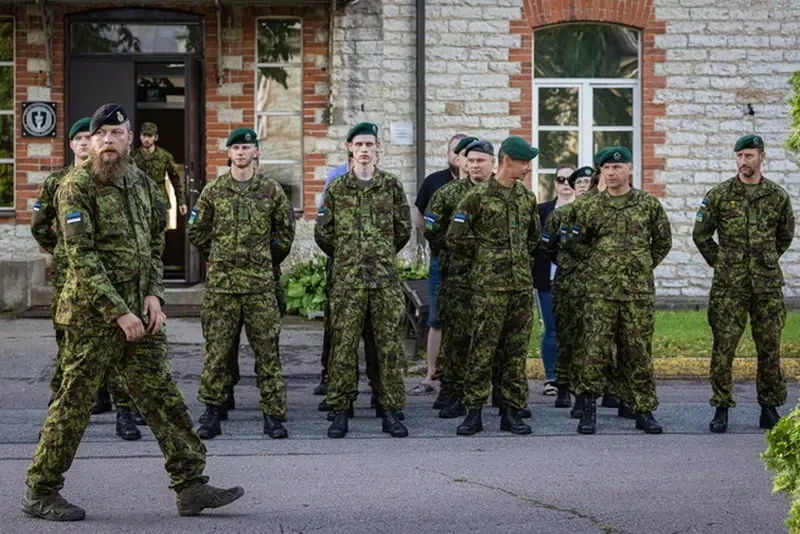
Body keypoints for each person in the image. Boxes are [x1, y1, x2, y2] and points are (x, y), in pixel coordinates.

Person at [22, 103, 244, 522]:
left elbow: (154, 248)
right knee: (73, 404)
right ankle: (40, 490)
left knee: (163, 397)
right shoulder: (76, 186)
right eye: (101, 133)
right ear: (91, 141)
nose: (108, 140)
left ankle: (191, 486)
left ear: (129, 140)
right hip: (92, 317)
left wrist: (154, 296)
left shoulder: (142, 184)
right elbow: (81, 257)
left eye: (116, 133)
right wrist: (120, 311)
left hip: (139, 316)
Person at [189, 128, 295, 440]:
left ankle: (273, 415)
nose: (241, 152)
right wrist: (219, 254)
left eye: (246, 147)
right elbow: (196, 229)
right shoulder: (214, 190)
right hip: (222, 287)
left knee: (267, 354)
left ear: (256, 153)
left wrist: (264, 256)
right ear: (229, 153)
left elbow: (284, 233)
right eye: (235, 148)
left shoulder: (271, 190)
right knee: (217, 352)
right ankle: (211, 412)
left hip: (259, 285)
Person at [315, 122, 412, 439]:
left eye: (370, 144)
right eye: (359, 144)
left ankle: (392, 410)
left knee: (388, 349)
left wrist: (379, 254)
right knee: (342, 349)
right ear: (350, 148)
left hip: (384, 281)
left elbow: (402, 231)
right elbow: (324, 234)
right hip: (348, 282)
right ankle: (340, 411)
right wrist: (349, 256)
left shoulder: (392, 186)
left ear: (378, 149)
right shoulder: (337, 188)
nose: (365, 149)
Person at [693, 134, 795, 433]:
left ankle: (769, 406)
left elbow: (785, 234)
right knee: (724, 347)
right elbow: (701, 234)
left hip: (766, 286)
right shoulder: (720, 194)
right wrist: (722, 261)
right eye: (739, 156)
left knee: (769, 347)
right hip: (729, 287)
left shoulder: (776, 196)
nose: (743, 161)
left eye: (749, 156)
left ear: (762, 156)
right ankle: (721, 406)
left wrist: (766, 258)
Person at [570, 147, 672, 435]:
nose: (611, 173)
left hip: (637, 293)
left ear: (629, 169)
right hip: (600, 292)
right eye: (606, 168)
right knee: (594, 351)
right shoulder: (590, 206)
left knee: (638, 352)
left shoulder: (647, 205)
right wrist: (601, 266)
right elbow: (578, 244)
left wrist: (642, 265)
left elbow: (663, 240)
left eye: (617, 167)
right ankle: (588, 408)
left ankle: (644, 409)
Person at [446, 136, 541, 436]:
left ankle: (511, 411)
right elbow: (455, 236)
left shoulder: (526, 198)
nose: (528, 167)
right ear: (507, 161)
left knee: (515, 352)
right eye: (524, 161)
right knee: (482, 350)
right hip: (488, 288)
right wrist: (487, 255)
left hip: (520, 288)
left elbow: (533, 238)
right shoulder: (478, 196)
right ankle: (473, 410)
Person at [423, 138, 492, 419]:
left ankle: (499, 393)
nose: (474, 165)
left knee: (490, 337)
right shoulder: (449, 193)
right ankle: (451, 391)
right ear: (463, 161)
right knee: (456, 337)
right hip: (457, 278)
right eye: (470, 160)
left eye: (480, 161)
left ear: (492, 164)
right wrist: (454, 251)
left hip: (492, 279)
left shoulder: (503, 194)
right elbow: (431, 227)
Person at [408, 133, 473, 408]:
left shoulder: (483, 184)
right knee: (437, 317)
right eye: (455, 151)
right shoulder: (435, 182)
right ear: (450, 155)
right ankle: (431, 374)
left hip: (475, 265)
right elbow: (419, 216)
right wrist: (439, 242)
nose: (460, 157)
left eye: (466, 152)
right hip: (441, 260)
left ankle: (469, 377)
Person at [31, 117, 92, 402]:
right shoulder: (56, 181)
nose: (83, 143)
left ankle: (115, 403)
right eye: (78, 138)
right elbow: (38, 224)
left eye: (88, 137)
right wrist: (63, 249)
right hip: (68, 277)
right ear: (70, 144)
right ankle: (68, 397)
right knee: (68, 337)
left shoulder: (112, 179)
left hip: (106, 271)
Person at [541, 165, 593, 410]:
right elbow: (547, 247)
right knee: (565, 337)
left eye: (587, 182)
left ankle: (587, 392)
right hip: (566, 286)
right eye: (578, 182)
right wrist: (566, 266)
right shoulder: (561, 216)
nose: (582, 186)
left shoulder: (600, 213)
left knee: (592, 339)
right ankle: (563, 386)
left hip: (596, 287)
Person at [533, 164, 576, 397]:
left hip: (579, 282)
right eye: (561, 179)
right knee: (551, 330)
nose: (566, 185)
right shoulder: (542, 211)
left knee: (579, 330)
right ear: (554, 183)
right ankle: (551, 377)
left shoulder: (584, 210)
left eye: (571, 180)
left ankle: (574, 378)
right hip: (547, 280)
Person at [133, 122, 187, 216]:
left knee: (160, 229)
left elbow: (175, 180)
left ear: (156, 137)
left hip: (159, 201)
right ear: (140, 137)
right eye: (144, 135)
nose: (146, 139)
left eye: (150, 136)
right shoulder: (133, 157)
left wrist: (181, 202)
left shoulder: (165, 156)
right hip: (139, 201)